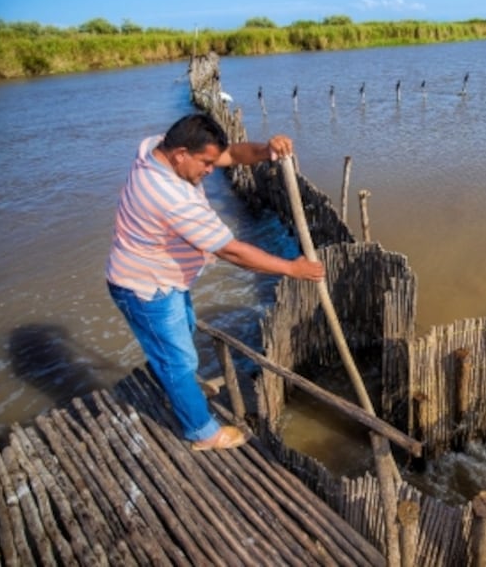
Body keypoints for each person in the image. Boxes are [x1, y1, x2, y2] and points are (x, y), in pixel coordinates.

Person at [106, 113, 325, 450]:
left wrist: (266, 150)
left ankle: (185, 389)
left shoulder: (156, 149)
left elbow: (233, 155)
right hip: (145, 288)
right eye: (205, 163)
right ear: (181, 155)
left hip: (163, 275)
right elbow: (232, 251)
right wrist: (291, 269)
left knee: (182, 337)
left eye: (212, 161)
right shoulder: (171, 197)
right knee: (177, 362)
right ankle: (203, 432)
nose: (211, 170)